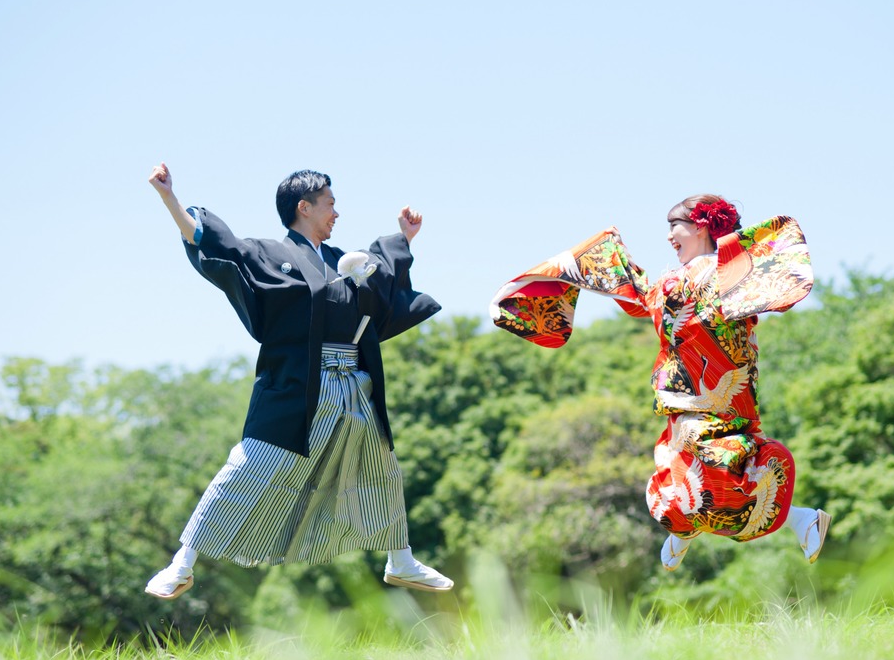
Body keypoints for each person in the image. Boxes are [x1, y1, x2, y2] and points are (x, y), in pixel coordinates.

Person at [143, 162, 453, 598]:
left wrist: (403, 237)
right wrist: (169, 198)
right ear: (304, 207)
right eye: (330, 204)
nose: (336, 213)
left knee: (381, 470)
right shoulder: (271, 254)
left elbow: (382, 280)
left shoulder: (341, 261)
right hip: (299, 387)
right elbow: (212, 242)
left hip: (353, 385)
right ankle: (182, 563)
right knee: (249, 468)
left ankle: (400, 561)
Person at [490, 194, 831, 570]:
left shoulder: (700, 277)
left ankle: (759, 524)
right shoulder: (726, 275)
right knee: (700, 477)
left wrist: (594, 265)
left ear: (701, 226)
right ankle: (792, 522)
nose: (670, 236)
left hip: (707, 399)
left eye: (675, 226)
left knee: (711, 481)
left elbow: (652, 300)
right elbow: (654, 302)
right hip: (710, 398)